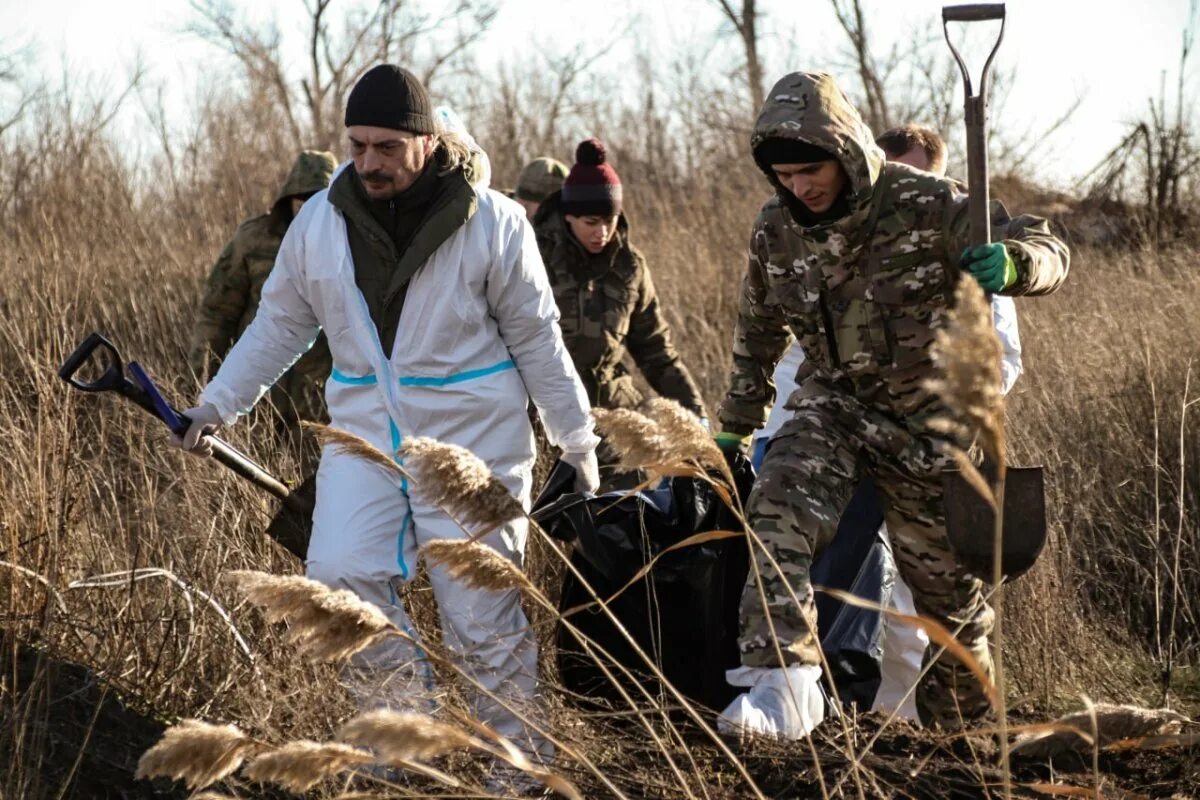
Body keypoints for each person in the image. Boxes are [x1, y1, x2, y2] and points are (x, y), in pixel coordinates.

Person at [170, 64, 600, 765]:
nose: (369, 162)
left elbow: (535, 334)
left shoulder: (491, 222)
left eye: (386, 148)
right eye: (358, 145)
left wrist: (574, 436)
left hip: (474, 436)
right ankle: (409, 745)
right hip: (364, 433)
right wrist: (218, 404)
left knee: (480, 616)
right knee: (338, 574)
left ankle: (518, 770)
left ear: (426, 142)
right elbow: (280, 323)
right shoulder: (319, 222)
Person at [717, 71, 1068, 732]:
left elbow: (1046, 243)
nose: (800, 187)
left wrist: (1021, 263)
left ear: (845, 149)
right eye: (785, 176)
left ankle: (961, 742)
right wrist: (737, 427)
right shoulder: (777, 230)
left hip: (928, 430)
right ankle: (783, 686)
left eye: (810, 170)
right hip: (834, 409)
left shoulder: (930, 203)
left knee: (950, 611)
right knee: (778, 506)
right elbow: (757, 331)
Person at [188, 150, 338, 440]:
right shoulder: (253, 239)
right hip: (255, 397)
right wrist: (202, 379)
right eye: (302, 198)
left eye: (317, 198)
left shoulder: (342, 244)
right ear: (289, 198)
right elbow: (216, 314)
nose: (309, 207)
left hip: (317, 402)